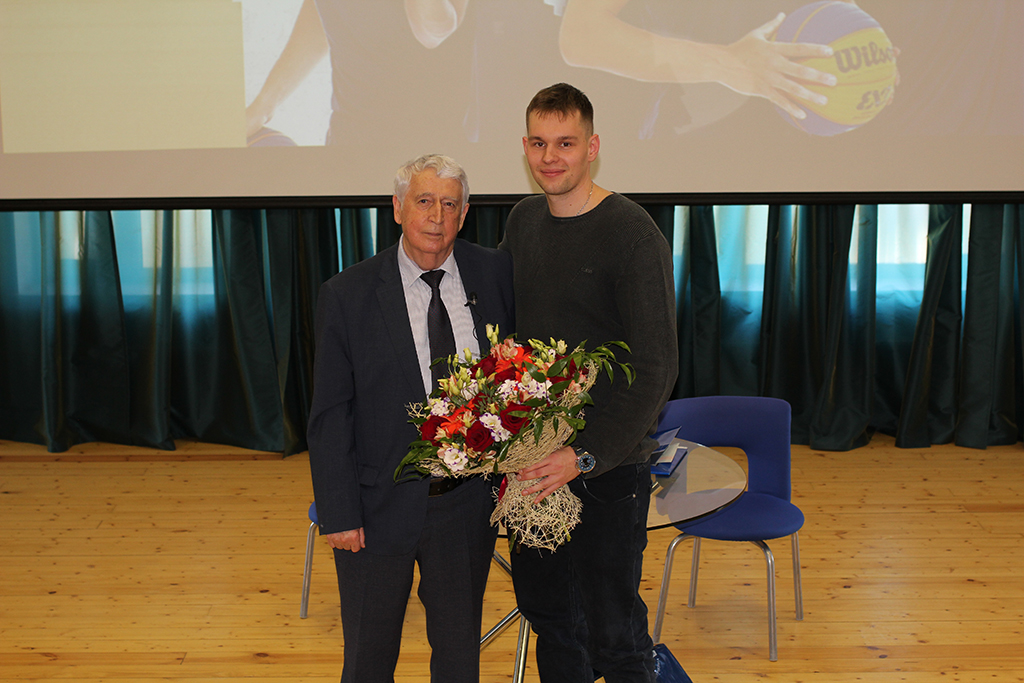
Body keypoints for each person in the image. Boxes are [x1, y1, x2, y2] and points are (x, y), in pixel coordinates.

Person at [307, 153, 514, 682]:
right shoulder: (347, 294)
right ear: (398, 208)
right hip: (376, 509)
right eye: (424, 201)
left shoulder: (495, 273)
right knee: (369, 661)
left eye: (449, 204)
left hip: (466, 507)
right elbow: (331, 414)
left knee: (459, 658)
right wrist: (339, 513)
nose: (436, 217)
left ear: (465, 213)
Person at [498, 83, 678, 681]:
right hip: (533, 465)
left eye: (566, 143)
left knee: (614, 634)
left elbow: (656, 367)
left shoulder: (633, 235)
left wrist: (584, 455)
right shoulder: (523, 221)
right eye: (539, 143)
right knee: (551, 620)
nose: (550, 157)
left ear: (592, 147)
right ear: (525, 147)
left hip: (607, 471)